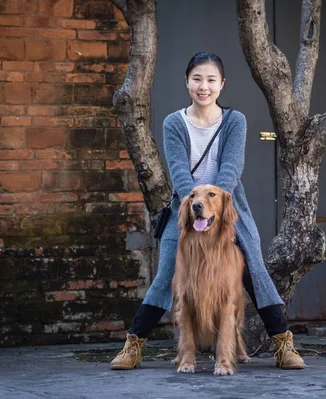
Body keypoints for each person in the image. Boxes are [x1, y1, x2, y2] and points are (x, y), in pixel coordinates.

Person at [110, 52, 305, 371]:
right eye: (197, 79)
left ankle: (284, 344)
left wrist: (213, 206)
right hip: (185, 210)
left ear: (222, 84)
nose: (204, 86)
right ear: (187, 81)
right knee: (166, 273)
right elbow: (178, 172)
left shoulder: (235, 121)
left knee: (254, 268)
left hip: (228, 207)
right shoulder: (174, 122)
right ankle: (133, 346)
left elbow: (231, 167)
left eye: (211, 80)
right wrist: (195, 206)